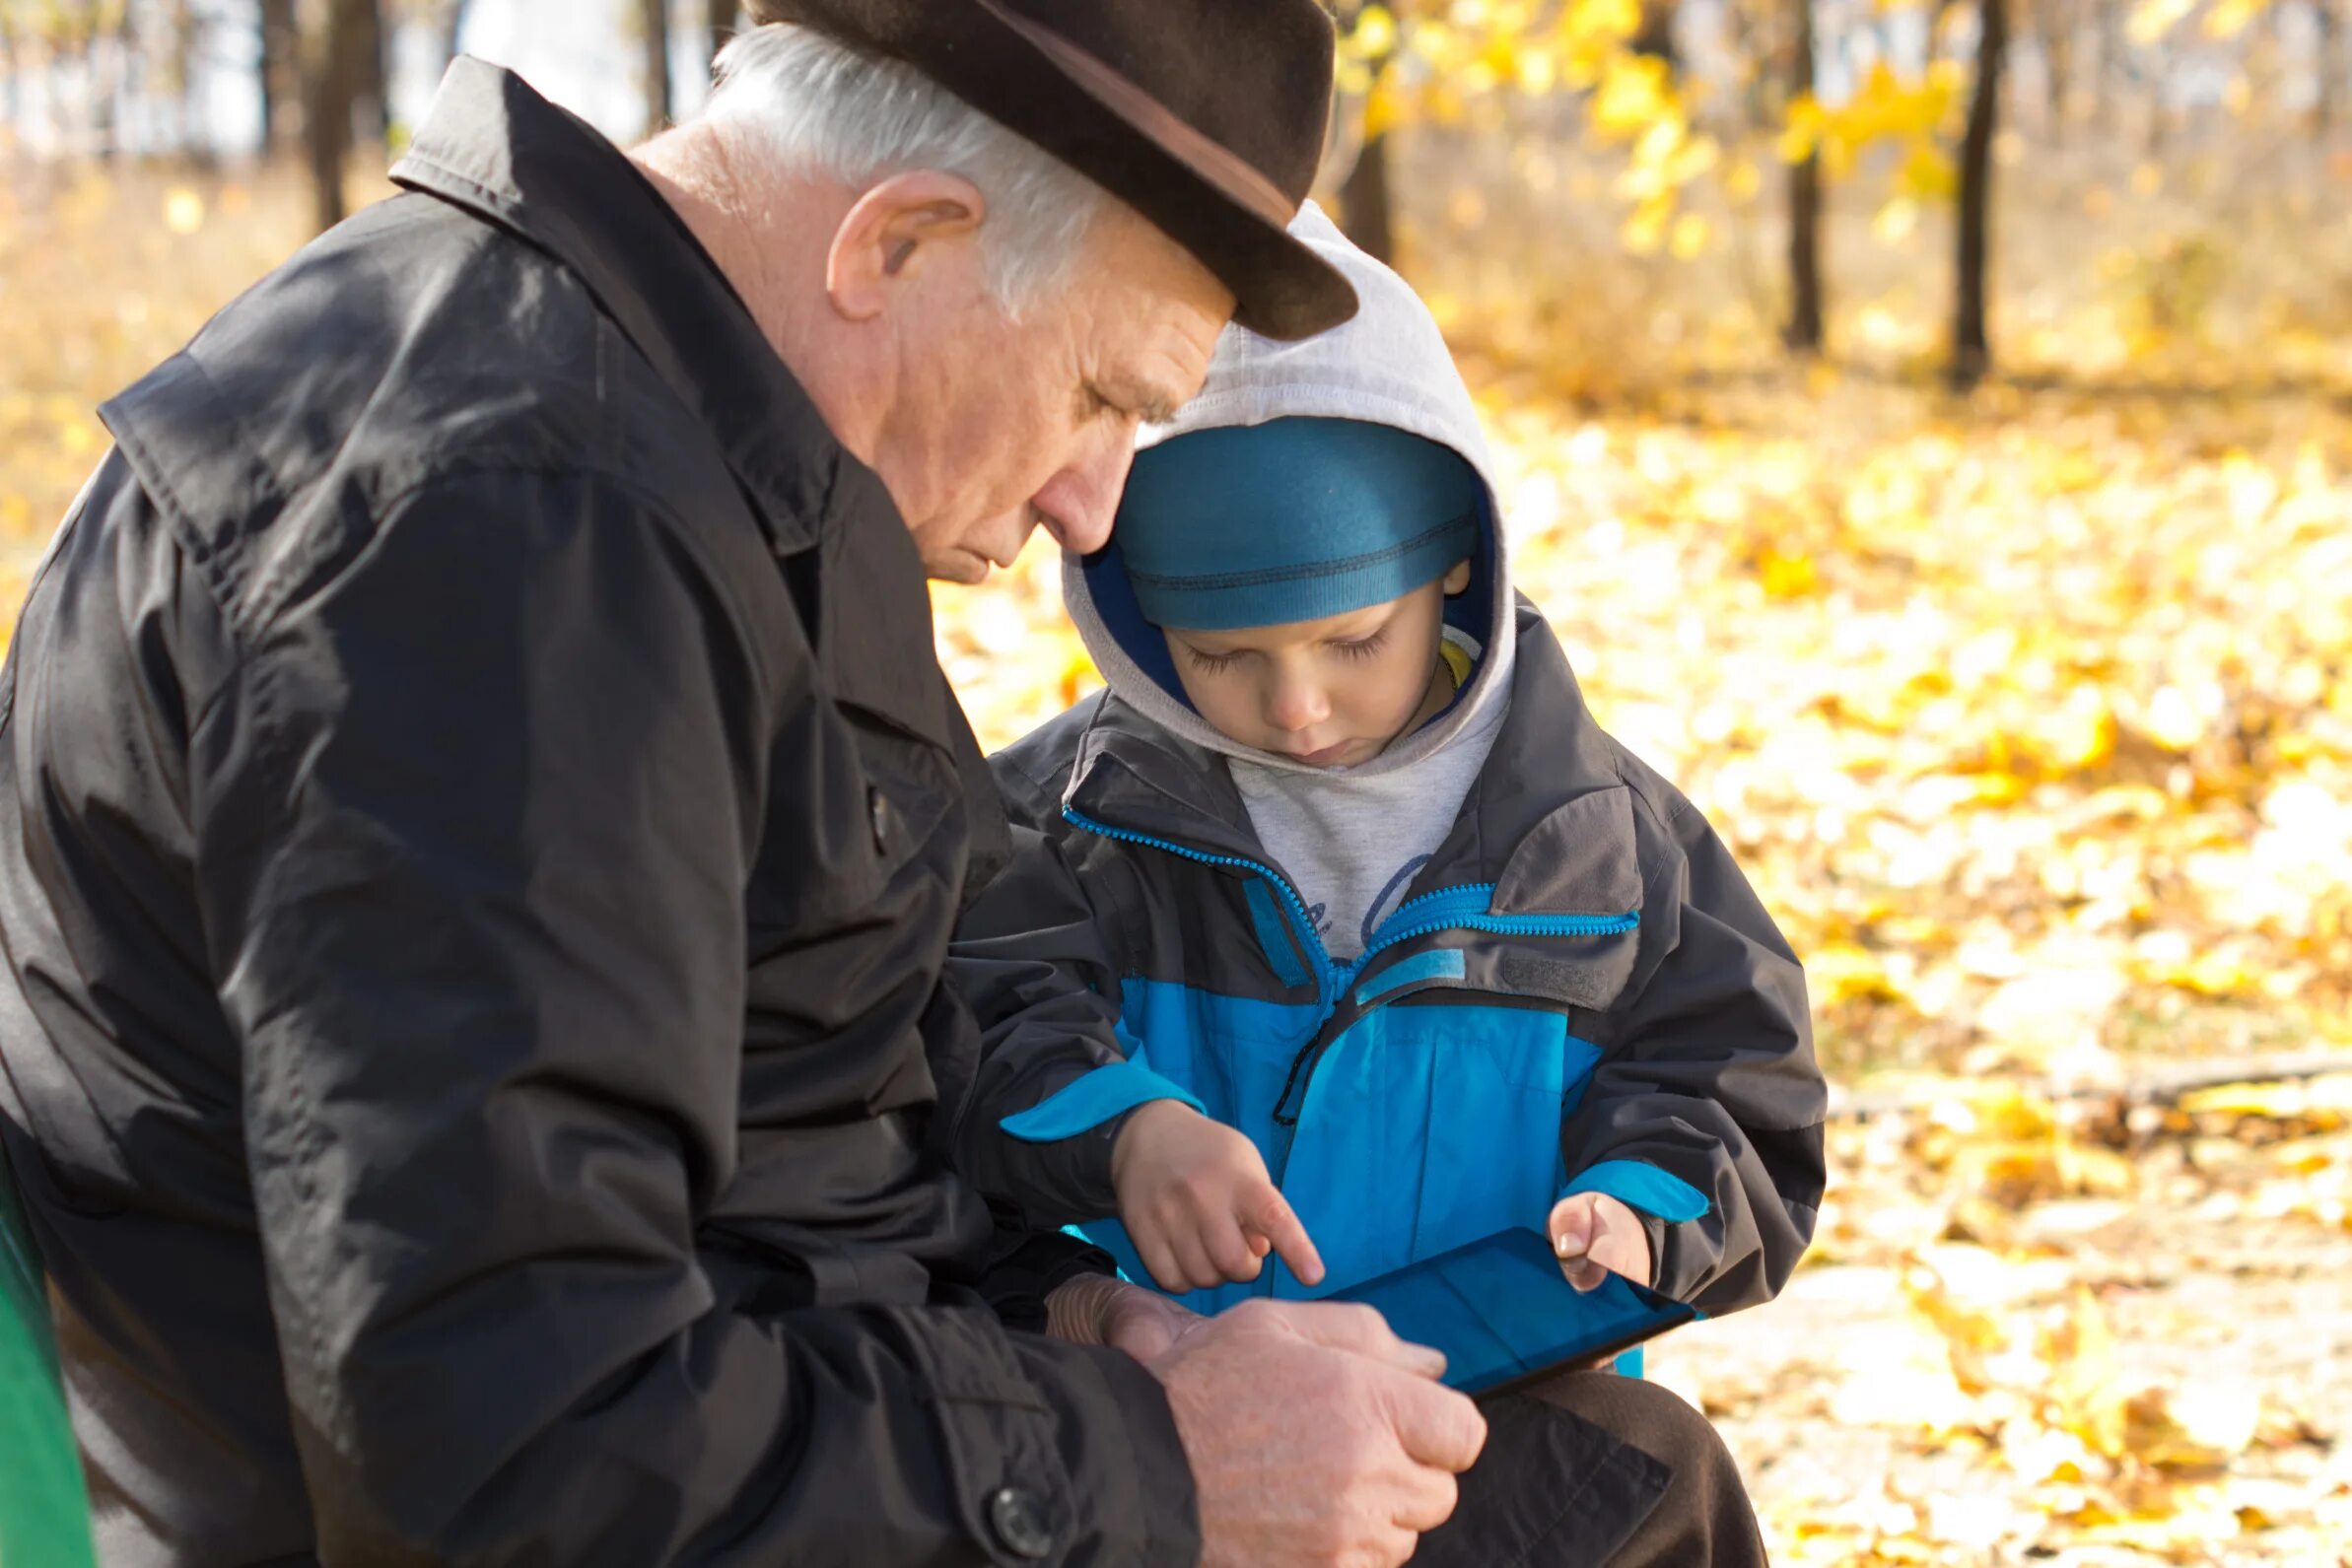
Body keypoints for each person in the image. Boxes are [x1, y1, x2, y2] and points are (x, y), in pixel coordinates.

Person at [0, 6, 1490, 1564]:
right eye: (1101, 397)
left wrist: (1075, 1320)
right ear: (899, 239)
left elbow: (804, 1110)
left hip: (816, 1428)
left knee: (1608, 1472)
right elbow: (519, 1451)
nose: (1093, 508)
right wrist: (1158, 1467)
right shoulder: (507, 547)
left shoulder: (698, 467)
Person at [945, 206, 1830, 1564]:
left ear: (1457, 567)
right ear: (1128, 619)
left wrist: (1649, 1203)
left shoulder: (1604, 838)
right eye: (1222, 656)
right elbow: (968, 1021)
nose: (1295, 708)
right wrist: (1125, 1129)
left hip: (1478, 1405)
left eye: (1353, 640)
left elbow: (1735, 1082)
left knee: (1660, 1482)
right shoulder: (1054, 828)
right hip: (1159, 1433)